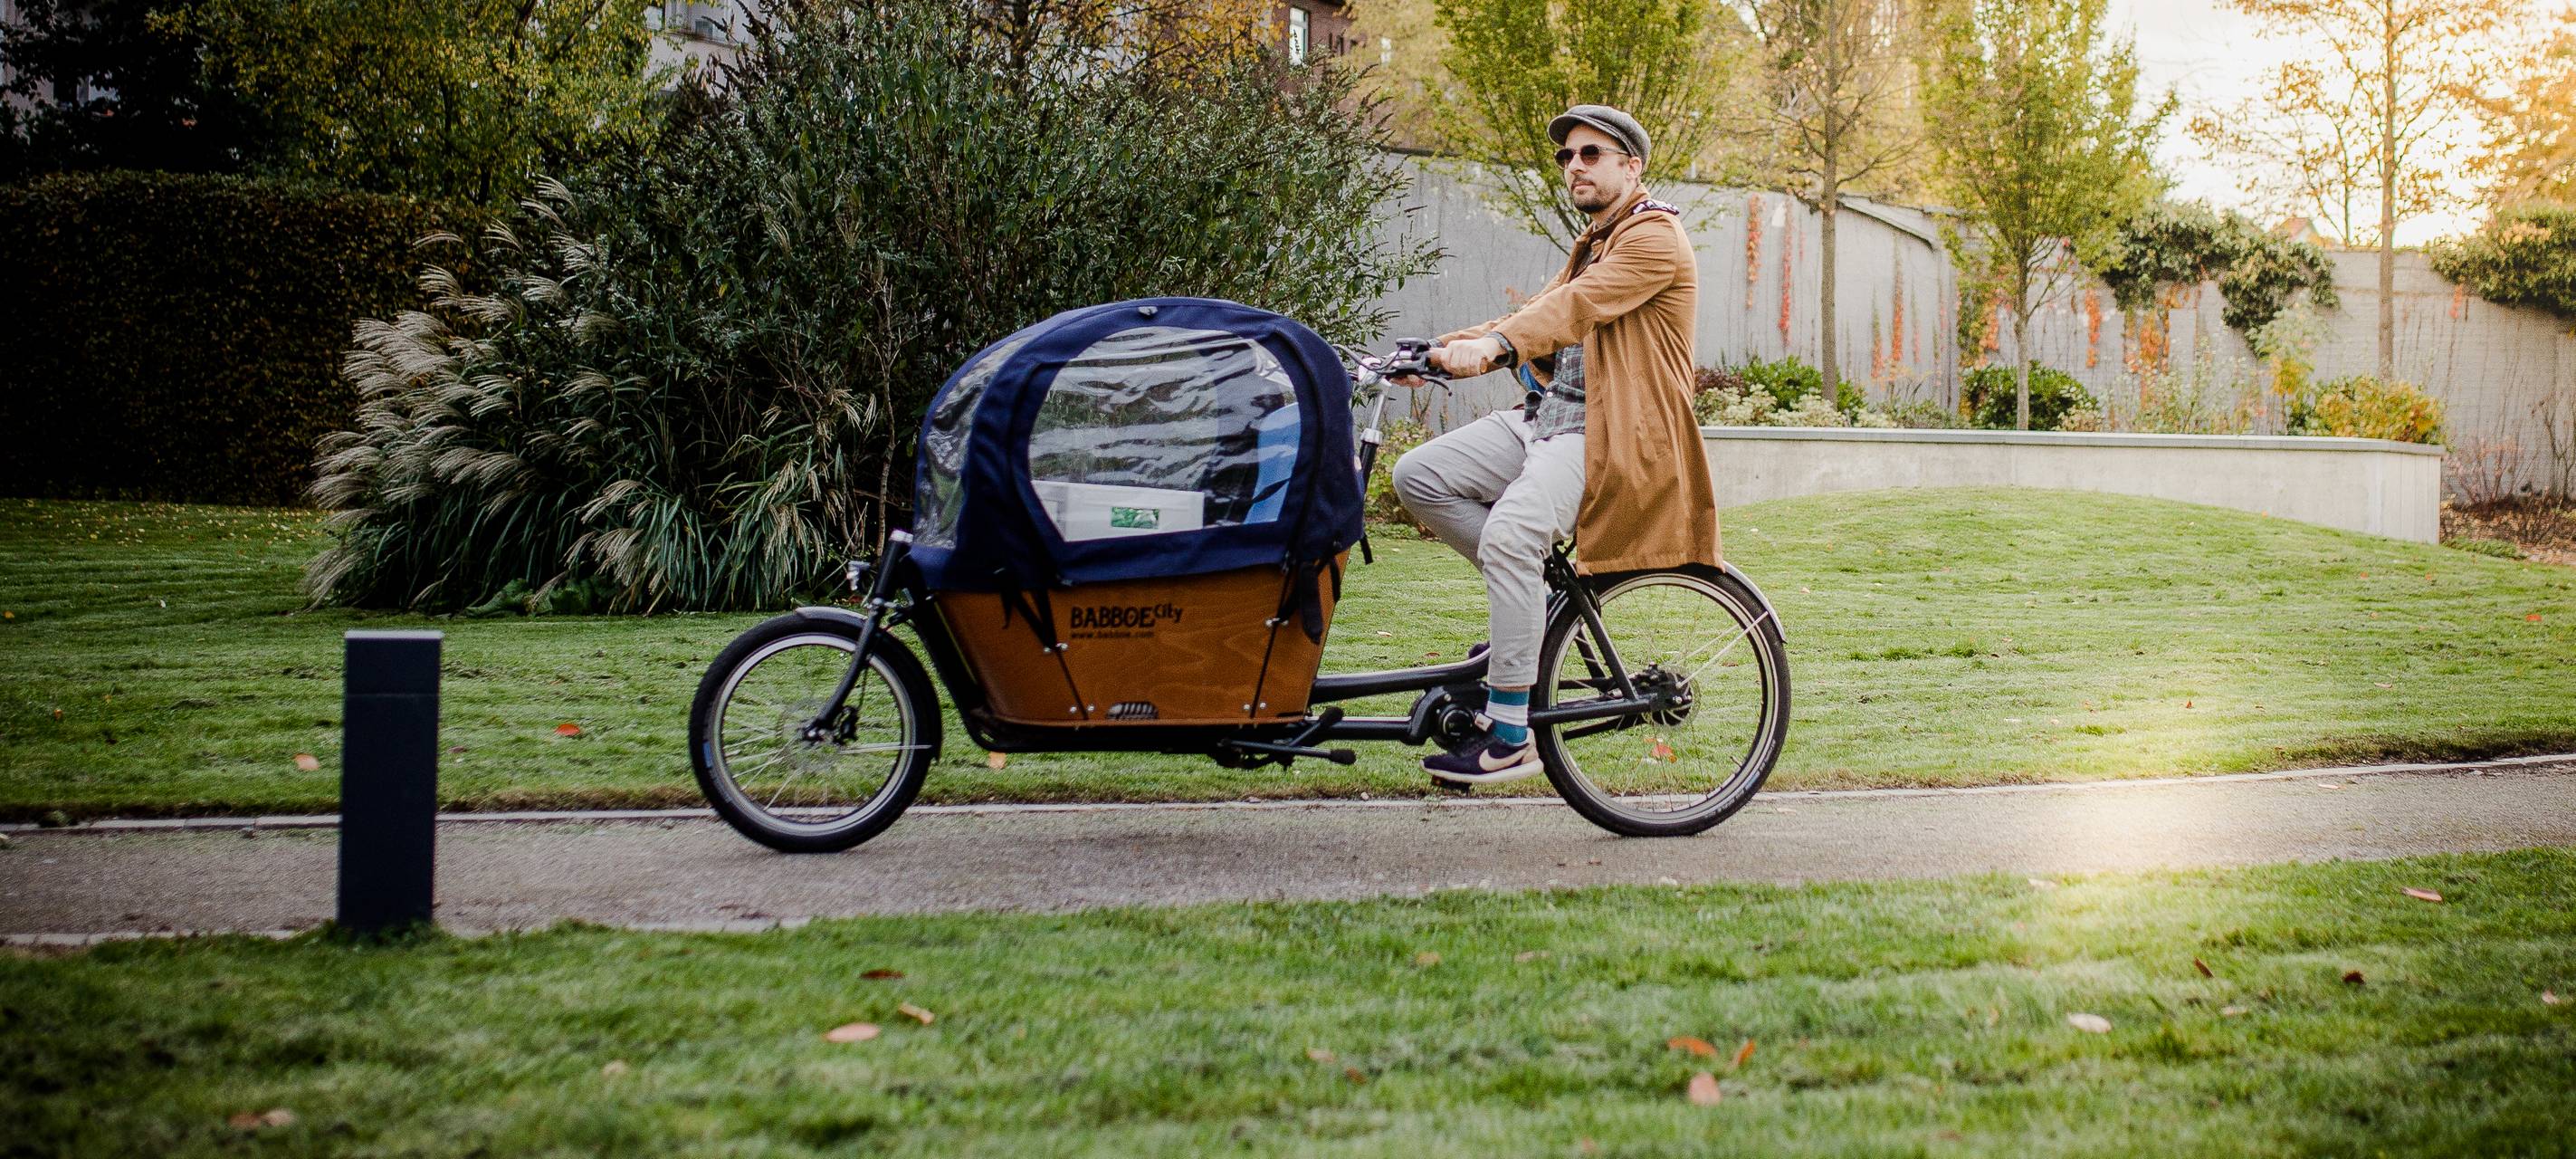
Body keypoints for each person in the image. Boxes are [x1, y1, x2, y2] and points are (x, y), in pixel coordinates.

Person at [1390, 103, 1721, 786]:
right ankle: (1537, 606)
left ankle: (1511, 733)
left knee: (1511, 535)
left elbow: (1575, 308)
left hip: (1611, 433)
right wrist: (1438, 350)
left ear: (1632, 166)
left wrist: (1493, 346)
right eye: (1567, 156)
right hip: (1550, 418)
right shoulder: (1595, 241)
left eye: (1591, 154)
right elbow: (1534, 314)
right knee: (1420, 476)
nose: (1574, 166)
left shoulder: (1654, 238)